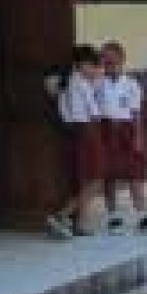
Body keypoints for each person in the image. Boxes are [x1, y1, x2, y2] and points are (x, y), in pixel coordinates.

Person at [46, 44, 105, 238]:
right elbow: (94, 113)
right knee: (94, 179)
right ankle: (62, 216)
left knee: (85, 179)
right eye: (91, 65)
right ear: (80, 65)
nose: (94, 70)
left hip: (78, 131)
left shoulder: (72, 81)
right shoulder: (79, 83)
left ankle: (80, 223)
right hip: (86, 130)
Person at [97, 42, 147, 235]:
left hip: (127, 130)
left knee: (133, 174)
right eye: (105, 61)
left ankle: (142, 214)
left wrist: (138, 136)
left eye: (112, 60)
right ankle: (113, 216)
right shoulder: (97, 83)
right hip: (105, 129)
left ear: (122, 60)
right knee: (109, 175)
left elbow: (136, 113)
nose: (109, 64)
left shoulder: (131, 84)